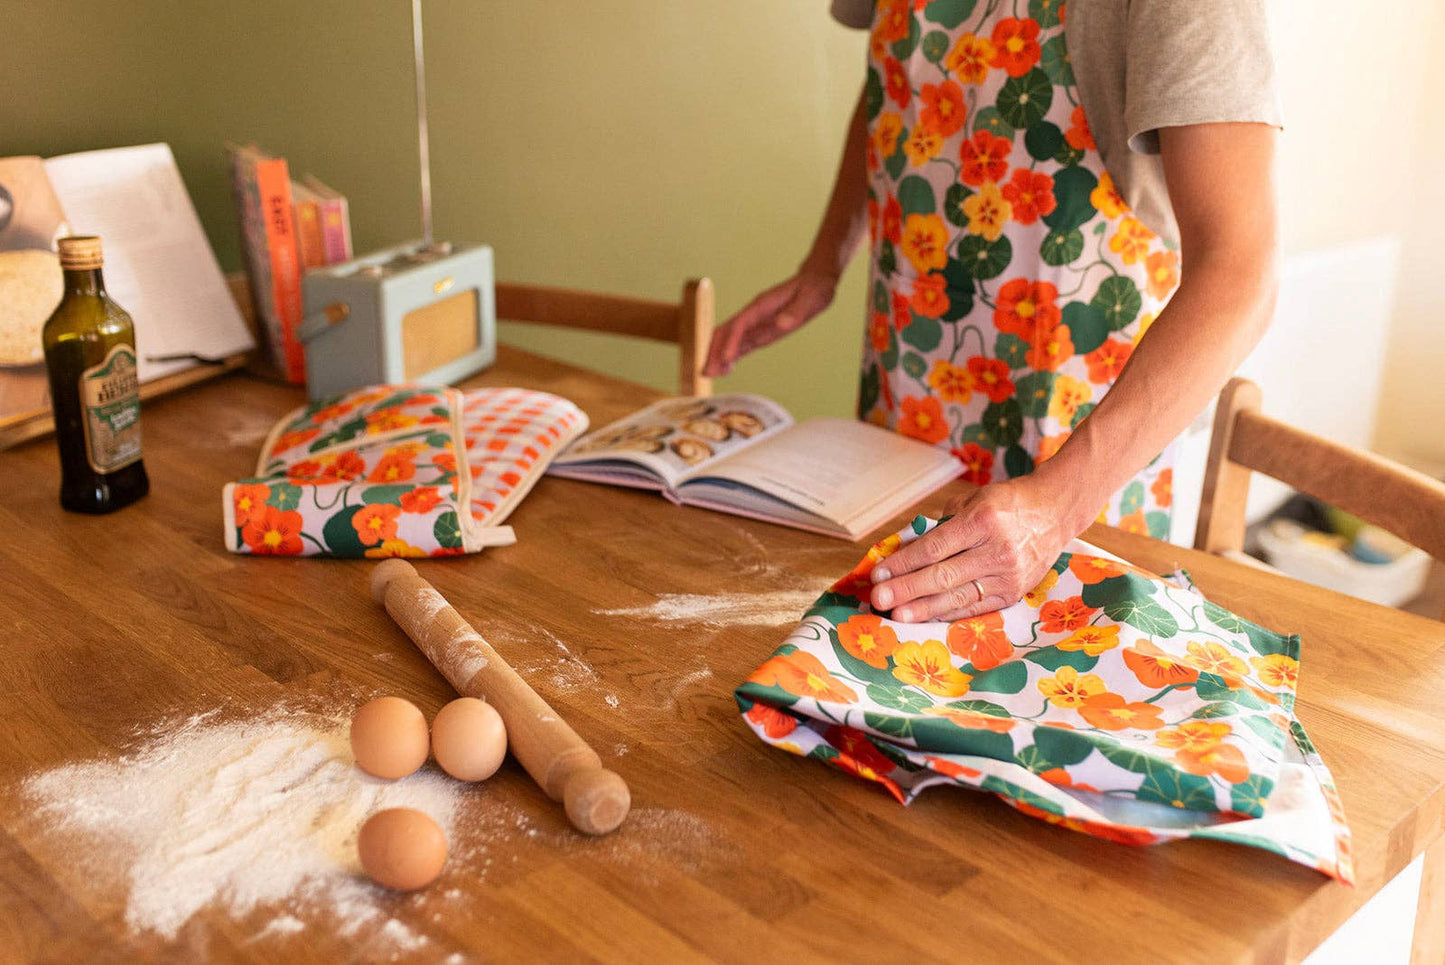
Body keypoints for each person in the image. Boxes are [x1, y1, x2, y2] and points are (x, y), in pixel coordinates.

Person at [704, 0, 1281, 624]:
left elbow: (1240, 272)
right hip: (907, 396)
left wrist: (1056, 508)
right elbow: (897, 86)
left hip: (1076, 463)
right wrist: (823, 263)